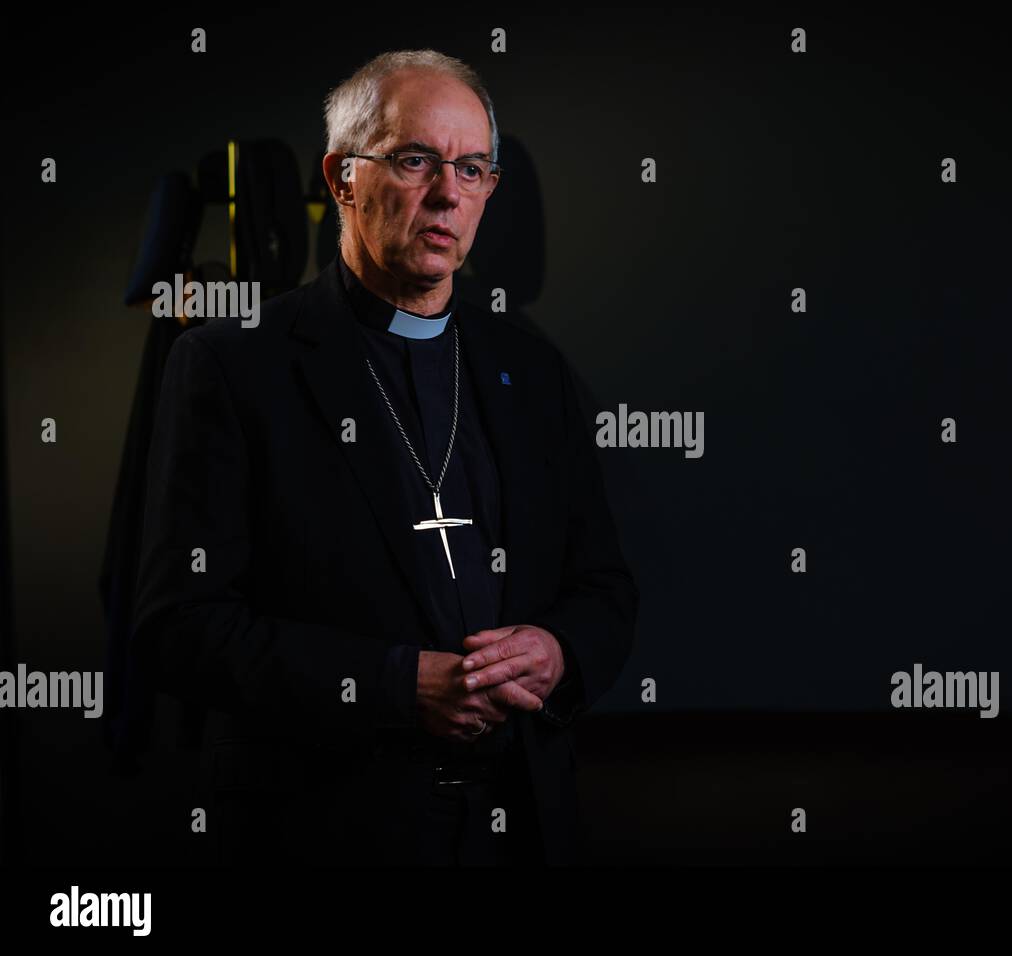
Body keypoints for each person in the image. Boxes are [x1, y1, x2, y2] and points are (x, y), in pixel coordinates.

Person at [132, 49, 638, 866]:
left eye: (472, 169)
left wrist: (559, 651)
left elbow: (605, 587)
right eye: (415, 160)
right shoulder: (235, 366)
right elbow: (178, 628)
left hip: (524, 824)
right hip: (324, 833)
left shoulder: (534, 372)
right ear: (341, 179)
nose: (448, 193)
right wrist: (397, 685)